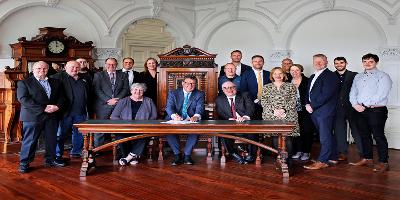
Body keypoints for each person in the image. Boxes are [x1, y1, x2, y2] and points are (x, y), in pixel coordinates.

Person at [17, 61, 65, 173]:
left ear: (48, 70)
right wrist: (43, 108)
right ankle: (24, 163)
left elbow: (62, 97)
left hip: (52, 115)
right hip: (33, 116)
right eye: (38, 68)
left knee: (51, 139)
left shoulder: (55, 82)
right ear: (33, 70)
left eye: (44, 69)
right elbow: (24, 99)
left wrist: (57, 106)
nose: (42, 71)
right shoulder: (24, 83)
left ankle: (50, 160)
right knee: (30, 141)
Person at [349, 53, 392, 172]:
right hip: (359, 110)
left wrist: (364, 104)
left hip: (376, 110)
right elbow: (353, 92)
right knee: (364, 135)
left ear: (376, 62)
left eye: (370, 61)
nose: (367, 64)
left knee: (378, 136)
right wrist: (355, 104)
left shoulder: (383, 76)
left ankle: (383, 162)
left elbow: (382, 94)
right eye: (365, 61)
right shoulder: (358, 76)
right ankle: (367, 158)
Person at [303, 54, 340, 170]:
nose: (318, 63)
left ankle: (322, 161)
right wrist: (306, 103)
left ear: (326, 62)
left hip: (325, 111)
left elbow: (326, 94)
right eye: (316, 61)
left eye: (321, 61)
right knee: (327, 135)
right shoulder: (313, 75)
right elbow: (308, 93)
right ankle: (333, 157)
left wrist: (312, 105)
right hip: (315, 111)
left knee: (324, 137)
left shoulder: (330, 76)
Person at [51, 60, 92, 159]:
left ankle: (76, 152)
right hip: (64, 112)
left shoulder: (84, 78)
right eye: (72, 67)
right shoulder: (57, 77)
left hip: (80, 112)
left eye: (77, 67)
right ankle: (57, 155)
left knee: (79, 134)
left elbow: (89, 94)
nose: (75, 69)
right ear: (65, 67)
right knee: (60, 135)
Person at [111, 83, 157, 165]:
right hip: (125, 128)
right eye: (135, 89)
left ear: (143, 91)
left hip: (142, 128)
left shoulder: (149, 101)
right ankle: (131, 156)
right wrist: (124, 124)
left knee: (144, 136)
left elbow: (154, 116)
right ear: (131, 91)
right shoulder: (123, 101)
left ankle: (128, 158)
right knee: (120, 136)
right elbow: (114, 116)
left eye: (140, 90)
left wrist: (145, 125)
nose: (138, 92)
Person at [261, 67, 299, 167]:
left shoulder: (291, 86)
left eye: (280, 73)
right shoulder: (266, 87)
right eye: (275, 74)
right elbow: (264, 101)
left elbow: (293, 100)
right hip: (271, 115)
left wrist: (283, 109)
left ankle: (288, 160)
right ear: (272, 75)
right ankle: (278, 158)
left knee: (287, 138)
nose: (278, 75)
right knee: (275, 136)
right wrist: (274, 110)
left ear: (284, 75)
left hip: (288, 115)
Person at [165, 75, 205, 165]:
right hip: (176, 119)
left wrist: (196, 116)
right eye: (187, 83)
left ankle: (187, 155)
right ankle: (177, 155)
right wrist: (173, 115)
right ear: (183, 83)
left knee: (195, 131)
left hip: (190, 119)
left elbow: (200, 108)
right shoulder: (173, 93)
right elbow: (169, 107)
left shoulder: (199, 94)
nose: (190, 85)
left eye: (193, 84)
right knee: (168, 131)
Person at [239, 55, 271, 163]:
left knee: (268, 128)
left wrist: (265, 101)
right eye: (255, 61)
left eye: (260, 61)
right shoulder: (246, 74)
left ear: (263, 62)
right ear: (252, 62)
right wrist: (255, 101)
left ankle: (267, 151)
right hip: (251, 106)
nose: (258, 63)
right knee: (253, 130)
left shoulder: (268, 74)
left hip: (267, 106)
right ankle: (252, 153)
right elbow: (243, 90)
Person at [93, 58, 130, 147]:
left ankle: (120, 148)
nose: (111, 66)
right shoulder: (99, 75)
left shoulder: (123, 75)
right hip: (103, 105)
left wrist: (117, 99)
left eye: (113, 64)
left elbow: (126, 89)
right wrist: (108, 100)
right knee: (100, 128)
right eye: (109, 64)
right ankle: (98, 148)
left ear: (117, 65)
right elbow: (97, 90)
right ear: (105, 65)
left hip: (119, 104)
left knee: (119, 127)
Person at [215, 81, 255, 164]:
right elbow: (220, 113)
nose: (229, 90)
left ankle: (251, 155)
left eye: (232, 87)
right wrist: (229, 119)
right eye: (226, 88)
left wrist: (245, 117)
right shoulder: (219, 99)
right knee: (223, 133)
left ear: (236, 88)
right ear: (222, 90)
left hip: (246, 123)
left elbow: (250, 108)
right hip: (231, 125)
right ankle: (233, 154)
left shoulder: (245, 95)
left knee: (253, 132)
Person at [333, 57, 363, 161]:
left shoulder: (355, 75)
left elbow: (360, 90)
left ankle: (363, 152)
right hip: (337, 108)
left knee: (356, 130)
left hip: (352, 107)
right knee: (339, 131)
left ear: (346, 63)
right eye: (336, 63)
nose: (339, 65)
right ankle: (342, 152)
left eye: (341, 63)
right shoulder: (331, 76)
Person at [290, 64, 315, 161]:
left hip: (306, 110)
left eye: (297, 70)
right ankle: (298, 150)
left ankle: (306, 151)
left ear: (301, 71)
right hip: (292, 111)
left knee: (307, 131)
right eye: (292, 70)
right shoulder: (288, 81)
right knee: (296, 131)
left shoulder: (308, 80)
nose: (294, 72)